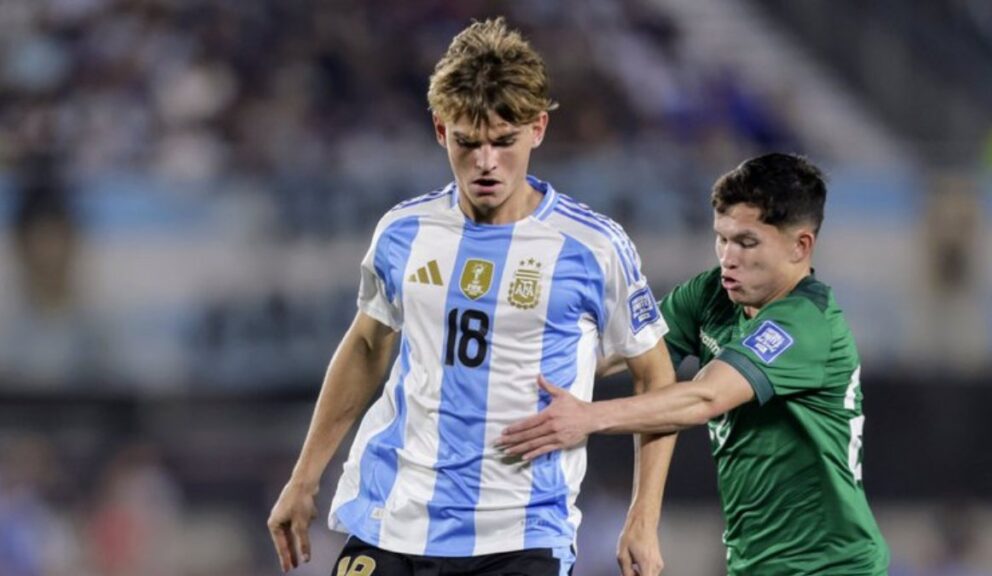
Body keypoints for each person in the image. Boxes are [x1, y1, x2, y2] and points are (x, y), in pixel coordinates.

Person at [267, 17, 678, 576]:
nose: (486, 162)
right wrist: (303, 478)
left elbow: (655, 376)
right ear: (441, 130)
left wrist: (643, 517)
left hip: (521, 532)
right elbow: (367, 346)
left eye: (504, 141)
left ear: (537, 129)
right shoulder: (403, 232)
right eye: (468, 142)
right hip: (395, 517)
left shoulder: (592, 247)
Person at [499, 153, 891, 575]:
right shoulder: (711, 295)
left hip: (833, 567)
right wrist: (508, 364)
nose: (728, 256)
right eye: (721, 238)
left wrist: (588, 418)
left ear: (800, 246)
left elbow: (704, 398)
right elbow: (624, 354)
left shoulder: (807, 324)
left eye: (746, 242)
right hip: (754, 564)